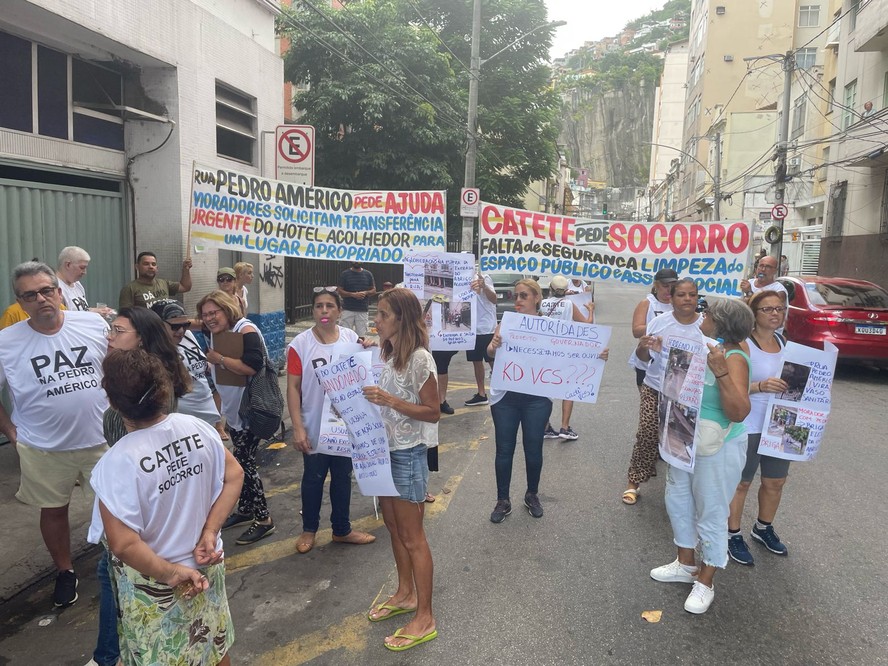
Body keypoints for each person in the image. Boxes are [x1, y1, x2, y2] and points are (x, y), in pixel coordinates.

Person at [90, 349, 243, 666]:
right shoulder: (197, 428)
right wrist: (209, 532)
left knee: (163, 656)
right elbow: (234, 475)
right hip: (207, 563)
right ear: (165, 390)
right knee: (214, 646)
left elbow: (123, 543)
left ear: (115, 404)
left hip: (156, 581)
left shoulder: (116, 463)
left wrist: (171, 572)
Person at [0, 261, 109, 607]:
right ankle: (65, 571)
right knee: (53, 510)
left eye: (47, 290)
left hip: (102, 440)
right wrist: (10, 430)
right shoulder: (6, 342)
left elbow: (117, 369)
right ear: (19, 302)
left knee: (114, 506)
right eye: (30, 295)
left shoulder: (92, 323)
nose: (41, 299)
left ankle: (122, 562)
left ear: (59, 292)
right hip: (43, 447)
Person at [89, 305, 193, 666]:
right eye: (110, 330)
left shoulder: (137, 391)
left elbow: (124, 459)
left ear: (141, 339)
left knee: (113, 569)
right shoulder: (150, 378)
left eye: (118, 331)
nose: (110, 337)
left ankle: (108, 655)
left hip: (135, 506)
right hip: (152, 500)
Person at [650, 297, 753, 615]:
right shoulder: (701, 345)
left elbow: (738, 411)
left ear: (721, 323)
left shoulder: (734, 356)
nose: (701, 315)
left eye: (707, 313)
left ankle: (705, 582)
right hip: (684, 438)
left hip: (717, 447)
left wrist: (721, 372)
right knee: (678, 501)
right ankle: (685, 565)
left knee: (711, 512)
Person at [362, 288, 439, 652]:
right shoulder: (390, 355)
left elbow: (432, 411)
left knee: (413, 536)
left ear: (401, 319)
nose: (376, 321)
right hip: (383, 453)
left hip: (407, 455)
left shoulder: (421, 359)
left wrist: (389, 399)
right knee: (393, 528)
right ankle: (405, 593)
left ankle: (425, 616)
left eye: (382, 314)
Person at [287, 287, 376, 554]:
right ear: (313, 310)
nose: (324, 311)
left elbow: (363, 372)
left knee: (342, 477)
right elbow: (292, 387)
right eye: (318, 306)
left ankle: (342, 529)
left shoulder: (350, 337)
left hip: (344, 426)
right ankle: (309, 529)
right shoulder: (300, 345)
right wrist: (298, 427)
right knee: (313, 478)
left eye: (329, 306)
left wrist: (369, 345)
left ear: (339, 311)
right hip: (314, 425)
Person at [199, 291, 276, 545]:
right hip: (234, 412)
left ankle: (264, 520)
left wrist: (218, 359)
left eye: (214, 312)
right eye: (205, 314)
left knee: (242, 466)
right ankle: (245, 509)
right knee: (243, 460)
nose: (209, 318)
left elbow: (252, 367)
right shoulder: (218, 332)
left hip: (251, 409)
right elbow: (190, 322)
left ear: (227, 309)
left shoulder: (246, 330)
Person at [623, 277, 700, 505]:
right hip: (655, 387)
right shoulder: (659, 323)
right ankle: (633, 482)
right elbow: (643, 358)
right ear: (671, 298)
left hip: (687, 395)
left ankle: (681, 489)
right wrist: (644, 347)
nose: (687, 299)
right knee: (647, 431)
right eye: (681, 295)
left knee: (682, 438)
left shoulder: (705, 326)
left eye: (692, 295)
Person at [727, 291, 791, 565]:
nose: (775, 313)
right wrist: (761, 386)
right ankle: (732, 534)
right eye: (767, 309)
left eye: (779, 308)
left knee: (775, 481)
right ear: (754, 314)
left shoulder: (784, 341)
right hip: (750, 422)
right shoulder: (744, 345)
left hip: (782, 422)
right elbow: (731, 387)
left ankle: (763, 528)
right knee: (742, 482)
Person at [487, 279, 552, 522]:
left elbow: (567, 356)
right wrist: (493, 347)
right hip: (506, 398)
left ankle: (532, 494)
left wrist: (596, 354)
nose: (518, 301)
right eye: (516, 296)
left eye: (523, 296)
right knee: (504, 449)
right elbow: (489, 353)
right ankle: (502, 500)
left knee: (533, 448)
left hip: (536, 399)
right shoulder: (507, 324)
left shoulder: (549, 326)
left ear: (537, 298)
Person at [150, 300, 226, 440]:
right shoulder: (154, 353)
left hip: (207, 418)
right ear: (157, 326)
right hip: (185, 426)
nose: (181, 331)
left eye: (185, 325)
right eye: (175, 327)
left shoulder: (187, 336)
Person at [540, 275, 594, 441]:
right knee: (568, 387)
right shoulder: (569, 304)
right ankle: (564, 427)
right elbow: (587, 324)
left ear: (550, 288)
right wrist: (590, 310)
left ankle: (545, 427)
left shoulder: (542, 303)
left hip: (546, 351)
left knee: (544, 389)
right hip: (565, 349)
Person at [463, 272, 497, 407]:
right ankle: (481, 394)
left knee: (492, 361)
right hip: (470, 328)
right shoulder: (461, 278)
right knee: (476, 361)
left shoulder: (484, 277)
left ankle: (502, 390)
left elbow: (494, 299)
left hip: (486, 327)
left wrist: (484, 287)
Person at [118, 251, 192, 309]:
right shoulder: (129, 289)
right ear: (137, 267)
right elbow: (125, 316)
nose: (151, 267)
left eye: (153, 264)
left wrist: (186, 269)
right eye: (146, 264)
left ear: (157, 268)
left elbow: (185, 287)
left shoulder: (164, 283)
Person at [56, 246, 114, 318]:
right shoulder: (55, 288)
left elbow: (80, 310)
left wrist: (98, 311)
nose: (84, 272)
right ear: (68, 265)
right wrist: (91, 313)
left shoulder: (77, 284)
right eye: (82, 268)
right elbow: (63, 319)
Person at [337, 262, 376, 336]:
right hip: (347, 309)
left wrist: (365, 293)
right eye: (354, 260)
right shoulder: (345, 274)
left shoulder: (368, 274)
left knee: (361, 336)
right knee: (344, 335)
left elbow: (374, 290)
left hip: (362, 310)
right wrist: (352, 295)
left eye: (359, 260)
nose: (357, 262)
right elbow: (340, 291)